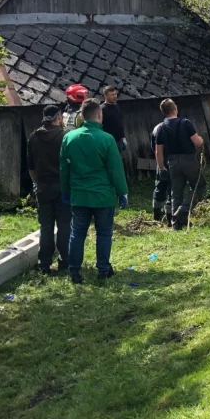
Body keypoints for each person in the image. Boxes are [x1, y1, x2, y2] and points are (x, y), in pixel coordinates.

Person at [60, 98, 129, 284]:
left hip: (79, 194)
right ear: (99, 115)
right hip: (102, 195)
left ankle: (74, 271)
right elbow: (115, 169)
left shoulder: (69, 138)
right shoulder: (106, 139)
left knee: (77, 233)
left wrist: (65, 191)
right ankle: (103, 269)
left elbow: (64, 168)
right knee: (104, 233)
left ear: (82, 116)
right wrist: (122, 191)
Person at [27, 105, 71, 274]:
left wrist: (37, 182)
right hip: (62, 186)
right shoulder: (64, 137)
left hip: (43, 187)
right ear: (58, 117)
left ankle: (44, 263)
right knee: (64, 225)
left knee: (46, 227)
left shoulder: (33, 137)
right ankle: (65, 261)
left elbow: (31, 167)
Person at [154, 99, 205, 231]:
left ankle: (176, 224)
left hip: (172, 162)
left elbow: (158, 151)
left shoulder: (161, 127)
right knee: (199, 185)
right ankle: (184, 210)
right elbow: (197, 142)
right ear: (175, 108)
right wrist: (201, 139)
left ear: (163, 112)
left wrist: (161, 168)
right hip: (189, 159)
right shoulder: (185, 123)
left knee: (176, 192)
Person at [150, 120, 172, 225]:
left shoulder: (157, 128)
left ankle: (157, 214)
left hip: (161, 160)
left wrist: (160, 163)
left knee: (160, 185)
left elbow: (153, 148)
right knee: (173, 188)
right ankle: (170, 216)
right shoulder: (179, 124)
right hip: (173, 160)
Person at [100, 85, 127, 154]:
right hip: (108, 142)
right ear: (105, 96)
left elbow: (119, 123)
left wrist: (123, 137)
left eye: (115, 94)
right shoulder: (102, 109)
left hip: (119, 140)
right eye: (112, 95)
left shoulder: (116, 106)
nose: (115, 96)